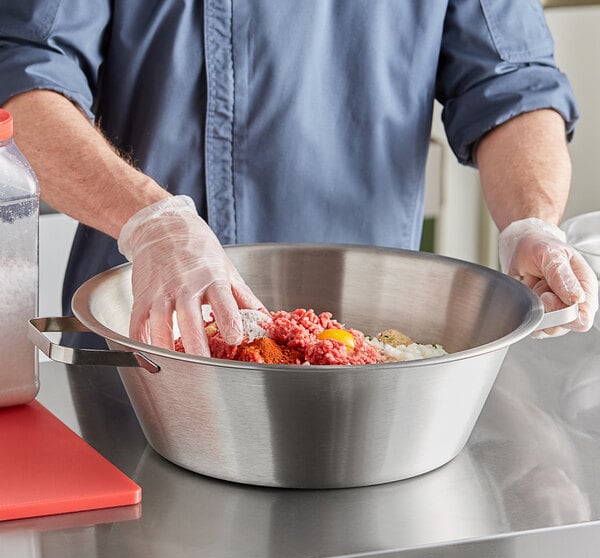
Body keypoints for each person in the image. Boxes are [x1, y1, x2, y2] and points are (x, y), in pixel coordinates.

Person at [0, 1, 597, 356]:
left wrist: (531, 221)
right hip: (148, 336)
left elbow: (511, 81)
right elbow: (22, 80)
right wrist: (154, 224)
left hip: (364, 344)